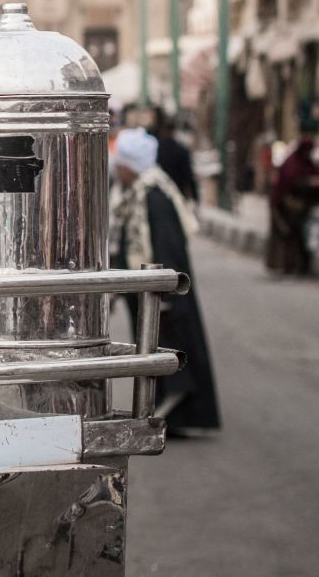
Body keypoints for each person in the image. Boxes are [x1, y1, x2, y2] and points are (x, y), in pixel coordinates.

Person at [111, 127, 221, 434]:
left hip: (163, 298)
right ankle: (164, 415)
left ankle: (174, 416)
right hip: (149, 295)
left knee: (170, 356)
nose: (116, 169)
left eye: (120, 163)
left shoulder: (154, 197)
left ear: (129, 165)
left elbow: (167, 249)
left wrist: (167, 295)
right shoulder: (139, 193)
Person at [266, 114, 319, 276]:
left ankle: (299, 266)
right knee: (288, 234)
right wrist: (308, 182)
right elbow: (288, 183)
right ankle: (287, 266)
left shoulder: (307, 163)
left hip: (298, 206)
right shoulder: (292, 163)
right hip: (284, 205)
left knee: (298, 235)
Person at [151, 108, 198, 202]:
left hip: (157, 194)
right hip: (177, 195)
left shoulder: (154, 149)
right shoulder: (182, 150)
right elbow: (188, 175)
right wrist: (195, 197)